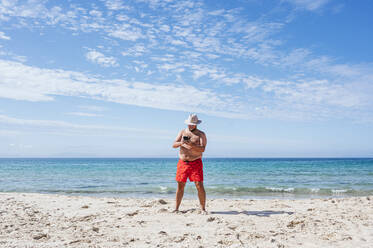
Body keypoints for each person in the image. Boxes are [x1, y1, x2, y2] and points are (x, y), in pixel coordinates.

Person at [172, 113, 207, 213]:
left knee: (199, 184)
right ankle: (176, 208)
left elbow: (203, 149)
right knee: (180, 185)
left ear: (196, 124)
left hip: (195, 162)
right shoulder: (182, 132)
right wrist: (182, 143)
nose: (190, 125)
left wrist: (192, 145)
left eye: (192, 124)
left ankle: (202, 209)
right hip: (183, 162)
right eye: (189, 124)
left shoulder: (201, 134)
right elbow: (174, 144)